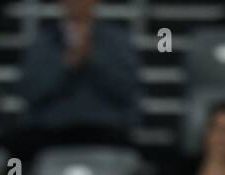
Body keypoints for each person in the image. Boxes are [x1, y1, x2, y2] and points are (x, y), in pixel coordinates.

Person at [13, 0, 139, 151]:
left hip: (105, 130)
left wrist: (92, 58)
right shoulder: (42, 42)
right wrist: (66, 65)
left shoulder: (117, 41)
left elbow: (126, 89)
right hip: (50, 131)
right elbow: (29, 92)